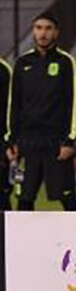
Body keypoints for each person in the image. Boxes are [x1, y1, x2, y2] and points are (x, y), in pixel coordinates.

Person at [5, 14, 76, 211]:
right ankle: (24, 242)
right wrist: (11, 140)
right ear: (33, 31)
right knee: (24, 199)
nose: (43, 33)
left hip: (56, 144)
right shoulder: (22, 63)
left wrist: (70, 140)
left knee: (68, 199)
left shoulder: (66, 62)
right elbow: (14, 105)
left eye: (48, 28)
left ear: (56, 32)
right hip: (26, 144)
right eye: (38, 28)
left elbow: (73, 102)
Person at [0, 57, 10, 211]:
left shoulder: (3, 70)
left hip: (1, 143)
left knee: (2, 193)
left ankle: (7, 234)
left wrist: (10, 141)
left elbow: (12, 109)